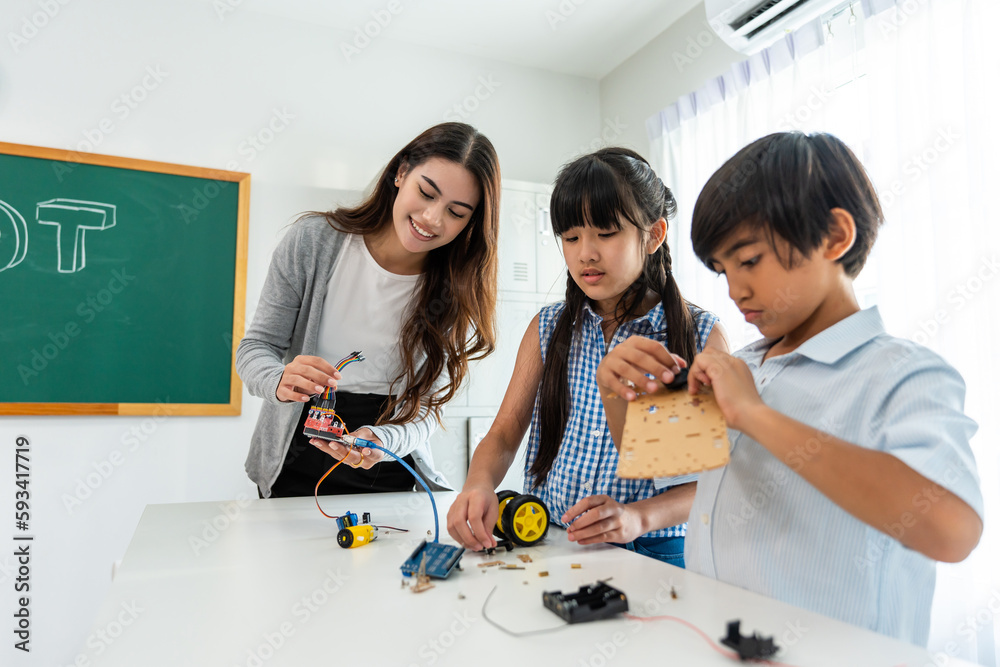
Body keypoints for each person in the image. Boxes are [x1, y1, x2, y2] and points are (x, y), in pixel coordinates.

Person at [597, 132, 983, 644]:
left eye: (750, 260)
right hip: (721, 643)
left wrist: (755, 416)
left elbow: (952, 531)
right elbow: (658, 461)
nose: (735, 290)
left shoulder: (900, 373)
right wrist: (615, 393)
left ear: (833, 236)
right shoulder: (743, 366)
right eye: (723, 270)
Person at [447, 148, 727, 566]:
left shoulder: (697, 336)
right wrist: (477, 484)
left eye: (606, 233)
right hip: (549, 539)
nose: (585, 254)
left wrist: (637, 517)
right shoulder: (549, 327)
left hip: (653, 551)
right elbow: (505, 434)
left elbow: (708, 481)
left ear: (653, 235)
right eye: (572, 237)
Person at [237, 122, 501, 498]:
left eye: (456, 213)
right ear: (401, 172)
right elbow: (254, 349)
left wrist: (382, 439)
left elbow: (426, 409)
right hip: (292, 463)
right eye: (426, 193)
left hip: (388, 466)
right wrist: (279, 381)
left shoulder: (456, 289)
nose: (432, 219)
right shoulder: (313, 242)